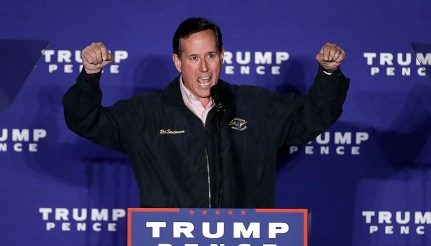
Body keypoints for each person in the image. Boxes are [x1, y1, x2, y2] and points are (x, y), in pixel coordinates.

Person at [63, 17, 349, 208]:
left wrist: (328, 74)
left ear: (222, 56)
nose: (204, 68)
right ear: (177, 62)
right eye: (193, 58)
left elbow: (312, 117)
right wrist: (90, 76)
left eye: (211, 56)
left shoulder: (254, 105)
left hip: (245, 245)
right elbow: (84, 119)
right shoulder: (146, 113)